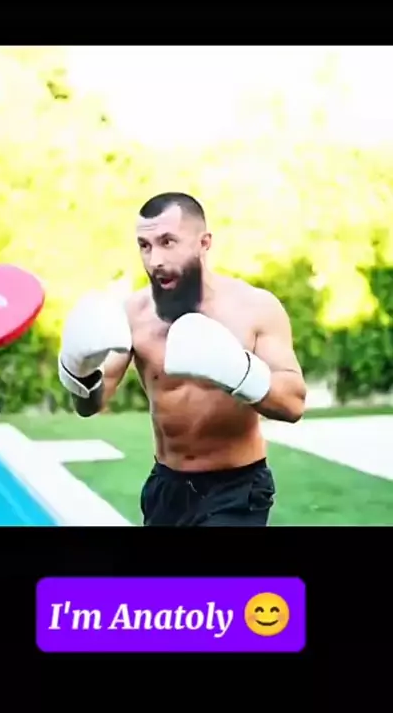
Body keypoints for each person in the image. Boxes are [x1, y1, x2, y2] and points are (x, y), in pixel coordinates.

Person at [58, 192, 307, 527]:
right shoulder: (134, 314)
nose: (155, 260)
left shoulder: (254, 308)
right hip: (167, 486)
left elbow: (293, 404)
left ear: (204, 243)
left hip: (236, 488)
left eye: (167, 242)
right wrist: (80, 374)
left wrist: (240, 372)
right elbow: (90, 406)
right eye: (144, 246)